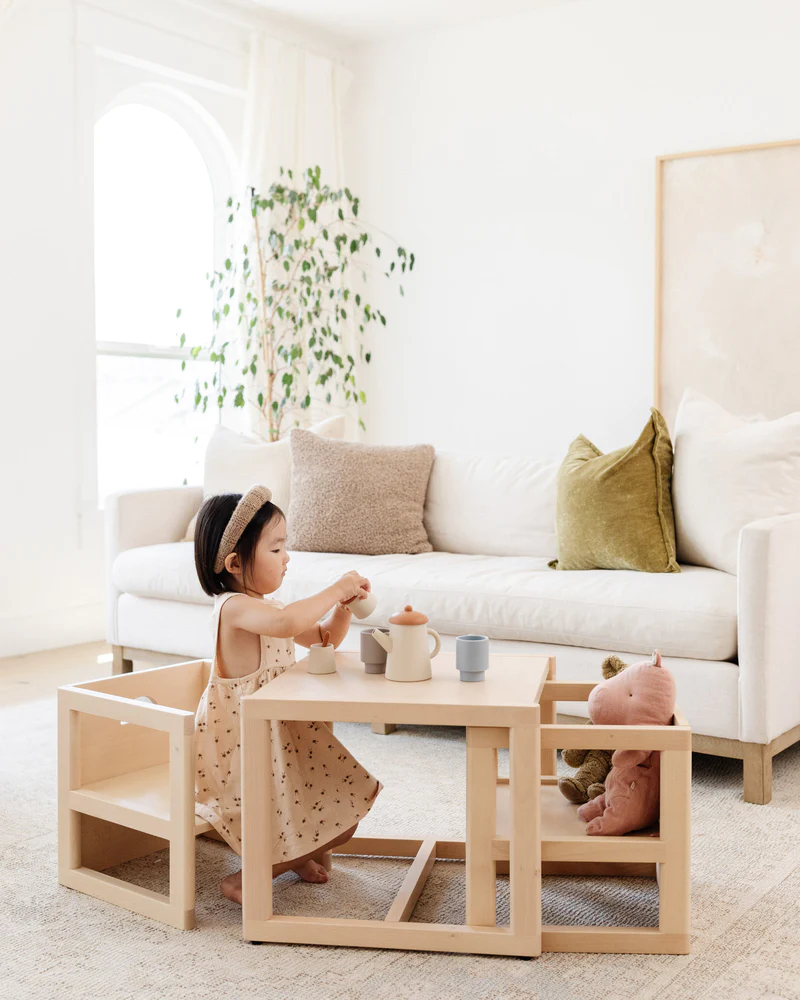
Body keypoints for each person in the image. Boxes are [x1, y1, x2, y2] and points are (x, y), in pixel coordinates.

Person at [192, 484, 382, 904]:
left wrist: (344, 606)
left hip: (284, 730)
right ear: (235, 563)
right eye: (276, 550)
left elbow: (324, 638)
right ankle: (251, 876)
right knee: (325, 808)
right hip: (245, 739)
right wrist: (333, 588)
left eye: (285, 548)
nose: (287, 558)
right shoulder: (234, 609)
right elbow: (286, 624)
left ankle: (293, 855)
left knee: (342, 803)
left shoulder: (272, 608)